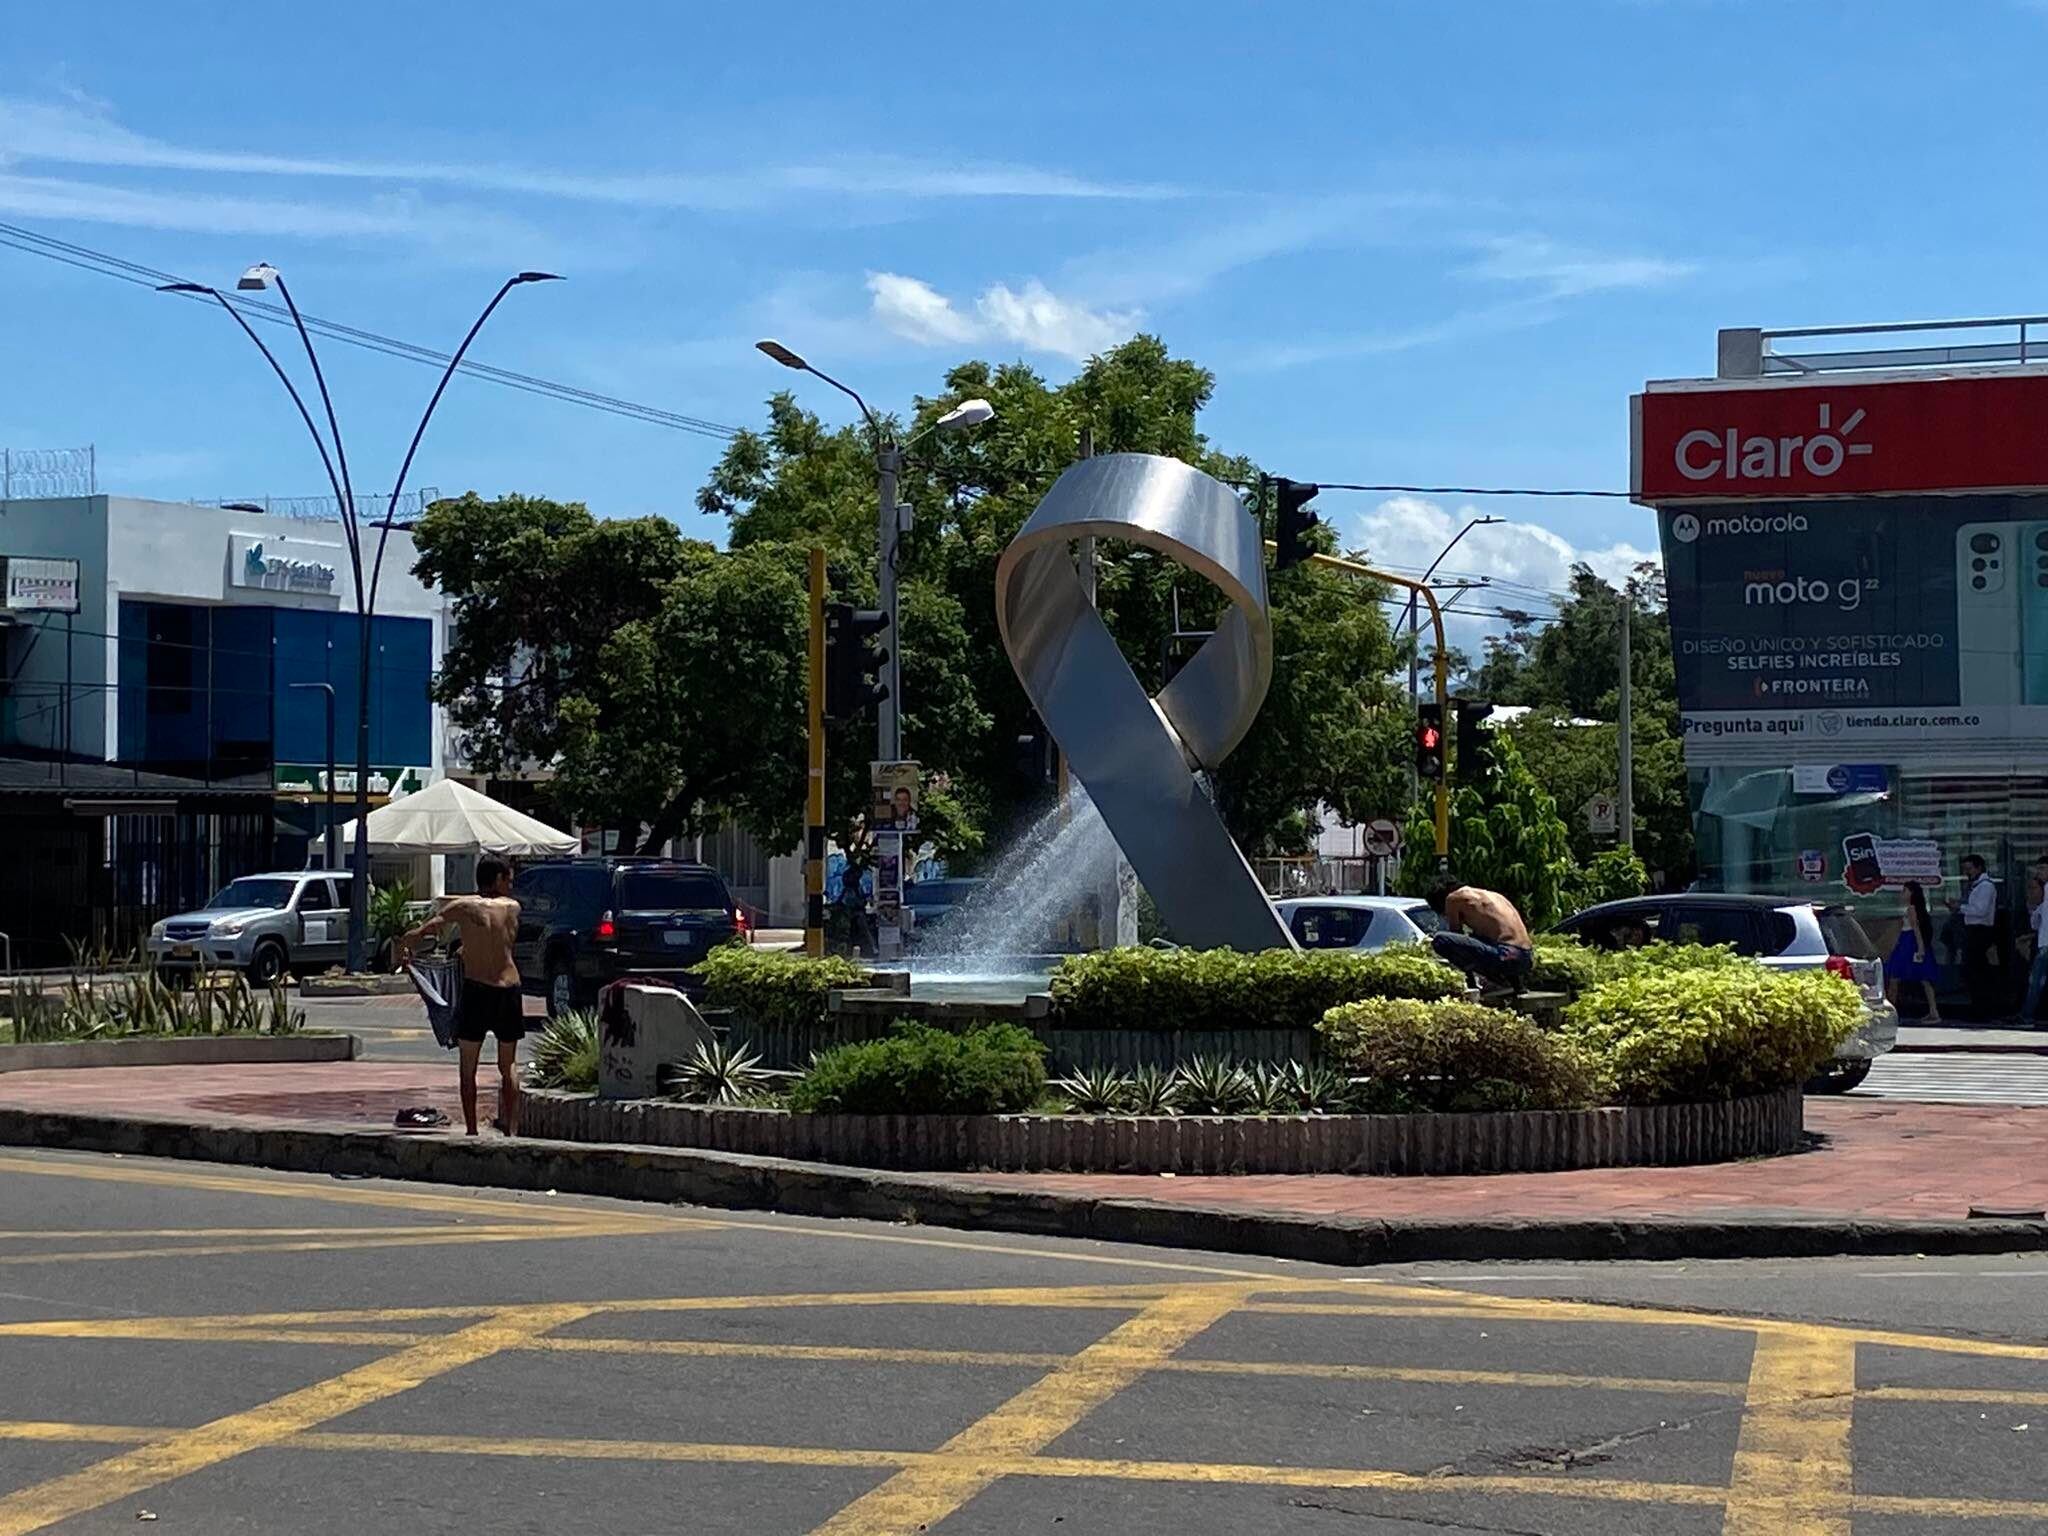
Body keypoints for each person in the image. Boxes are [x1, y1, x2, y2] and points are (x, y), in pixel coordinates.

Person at [397, 855, 525, 1136]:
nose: (512, 885)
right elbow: (500, 945)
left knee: (469, 1065)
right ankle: (512, 1130)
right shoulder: (513, 908)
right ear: (499, 879)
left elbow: (428, 929)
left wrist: (407, 943)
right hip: (509, 989)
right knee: (509, 1065)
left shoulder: (465, 907)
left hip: (478, 989)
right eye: (509, 879)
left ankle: (471, 1130)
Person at [1422, 877, 1533, 988]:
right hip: (1525, 958)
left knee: (1441, 940)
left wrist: (1468, 976)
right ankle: (1514, 983)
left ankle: (1475, 985)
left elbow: (1456, 936)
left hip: (1503, 956)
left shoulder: (1453, 898)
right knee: (1477, 938)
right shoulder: (1495, 896)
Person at [1949, 854, 2002, 1023]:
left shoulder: (1985, 886)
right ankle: (1977, 1006)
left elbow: (1980, 910)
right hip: (1972, 930)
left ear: (1979, 868)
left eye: (1970, 869)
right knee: (1972, 971)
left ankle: (1982, 1009)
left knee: (1977, 972)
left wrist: (1960, 907)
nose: (1967, 873)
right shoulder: (1975, 886)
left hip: (1981, 931)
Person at [1885, 880, 1942, 1025]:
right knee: (1923, 978)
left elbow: (1915, 928)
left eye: (1905, 891)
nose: (1902, 894)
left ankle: (1890, 1013)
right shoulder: (1914, 908)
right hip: (1908, 942)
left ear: (1911, 893)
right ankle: (1933, 1011)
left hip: (1909, 944)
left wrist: (1920, 947)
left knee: (1895, 975)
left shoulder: (1911, 909)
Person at [2025, 858, 2048, 1027]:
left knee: (2036, 981)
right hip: (2043, 941)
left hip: (2045, 944)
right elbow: (2036, 922)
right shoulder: (2045, 891)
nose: (2039, 872)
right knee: (2037, 980)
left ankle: (2027, 1014)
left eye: (2042, 868)